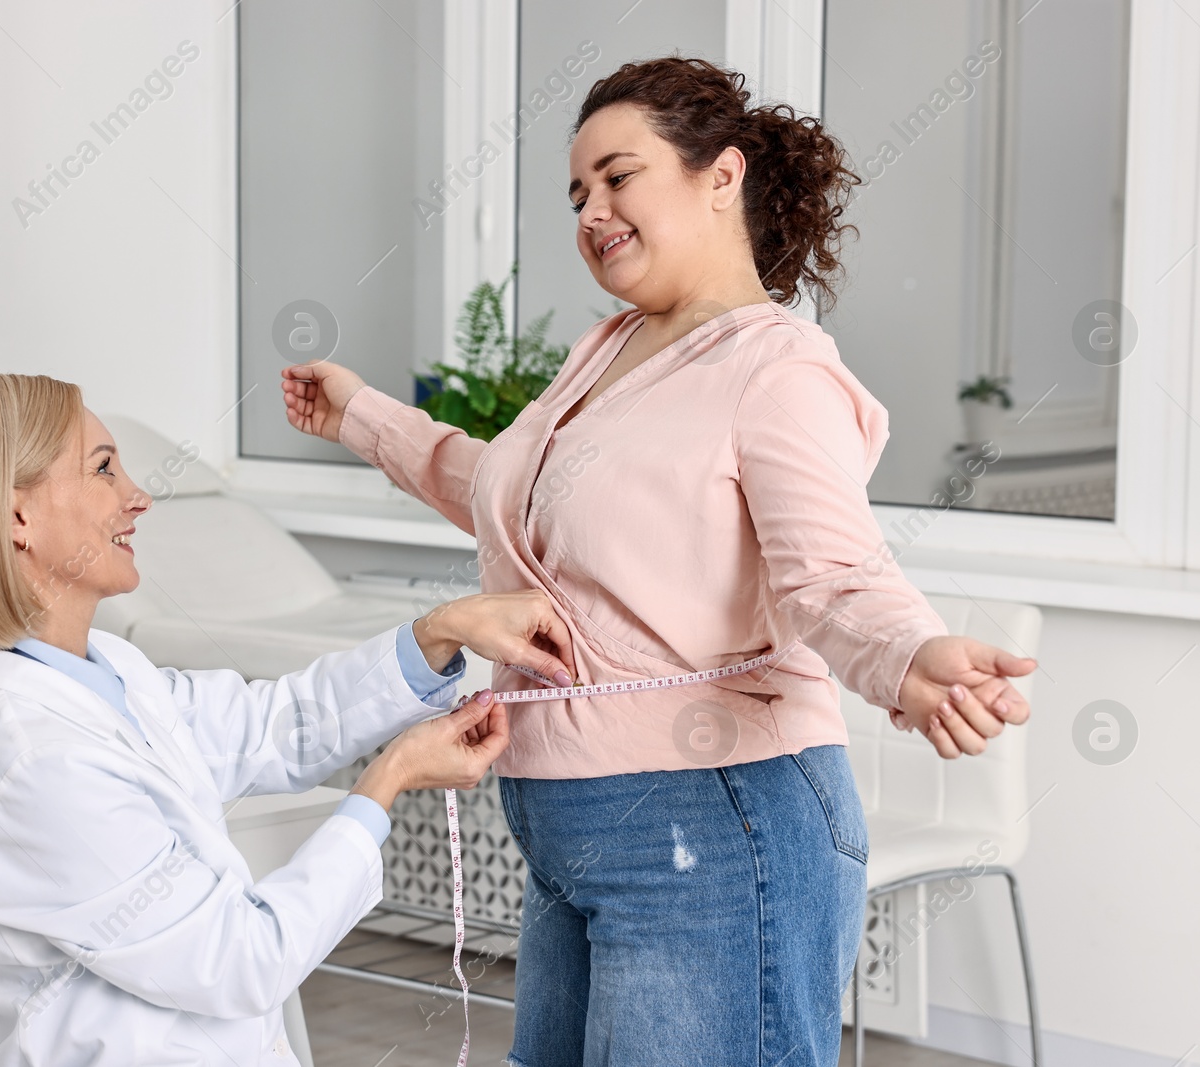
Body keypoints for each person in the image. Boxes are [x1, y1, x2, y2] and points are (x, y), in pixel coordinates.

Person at [280, 57, 1038, 1067]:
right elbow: (517, 497)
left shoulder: (777, 367)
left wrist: (908, 652)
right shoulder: (605, 351)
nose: (592, 208)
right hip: (566, 828)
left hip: (712, 819)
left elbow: (832, 569)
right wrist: (363, 417)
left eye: (618, 175)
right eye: (576, 192)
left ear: (719, 175)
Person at [0, 373, 576, 1067]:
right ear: (16, 518)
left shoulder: (108, 671)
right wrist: (387, 779)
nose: (138, 495)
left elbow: (278, 723)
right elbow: (244, 958)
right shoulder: (32, 757)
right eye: (102, 468)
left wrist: (439, 631)